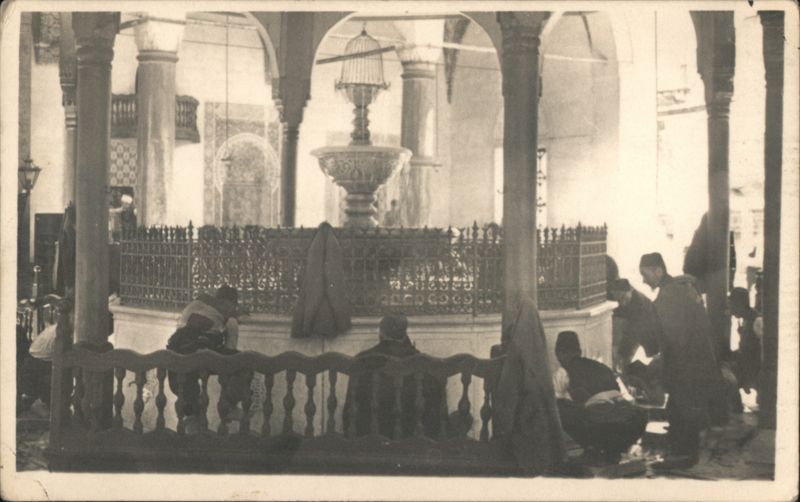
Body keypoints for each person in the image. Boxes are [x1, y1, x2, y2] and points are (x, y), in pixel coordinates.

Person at [640, 252, 724, 469]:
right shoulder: (681, 289)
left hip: (686, 365)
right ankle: (681, 449)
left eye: (645, 274)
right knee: (680, 408)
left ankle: (684, 455)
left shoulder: (668, 296)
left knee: (683, 407)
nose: (643, 280)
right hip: (698, 361)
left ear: (658, 270)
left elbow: (677, 340)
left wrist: (664, 368)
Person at [493, 297, 567, 476]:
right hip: (542, 432)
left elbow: (507, 398)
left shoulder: (516, 355)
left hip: (524, 428)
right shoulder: (539, 357)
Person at [343, 314, 445, 438]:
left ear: (381, 333)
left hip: (371, 441)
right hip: (413, 442)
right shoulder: (426, 364)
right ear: (405, 334)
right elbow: (436, 419)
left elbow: (350, 413)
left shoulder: (362, 360)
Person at [553, 331, 648, 464]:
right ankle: (612, 452)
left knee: (558, 407)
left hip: (601, 427)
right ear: (580, 351)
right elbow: (626, 397)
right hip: (632, 425)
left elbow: (553, 404)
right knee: (604, 408)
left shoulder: (563, 371)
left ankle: (592, 451)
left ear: (558, 354)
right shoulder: (602, 367)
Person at [167, 286, 250, 432]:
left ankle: (192, 416)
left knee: (189, 379)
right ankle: (230, 406)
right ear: (231, 303)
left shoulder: (194, 303)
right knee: (243, 363)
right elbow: (230, 350)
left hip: (175, 354)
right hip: (202, 350)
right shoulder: (230, 317)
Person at [607, 278, 660, 372]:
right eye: (618, 300)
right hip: (631, 322)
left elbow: (633, 333)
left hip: (648, 325)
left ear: (631, 290)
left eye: (624, 297)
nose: (622, 303)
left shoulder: (639, 304)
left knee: (628, 355)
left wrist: (621, 353)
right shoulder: (613, 300)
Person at [728, 287, 762, 394]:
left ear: (740, 304)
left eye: (733, 306)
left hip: (752, 369)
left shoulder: (757, 321)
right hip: (746, 364)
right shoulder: (747, 319)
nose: (732, 311)